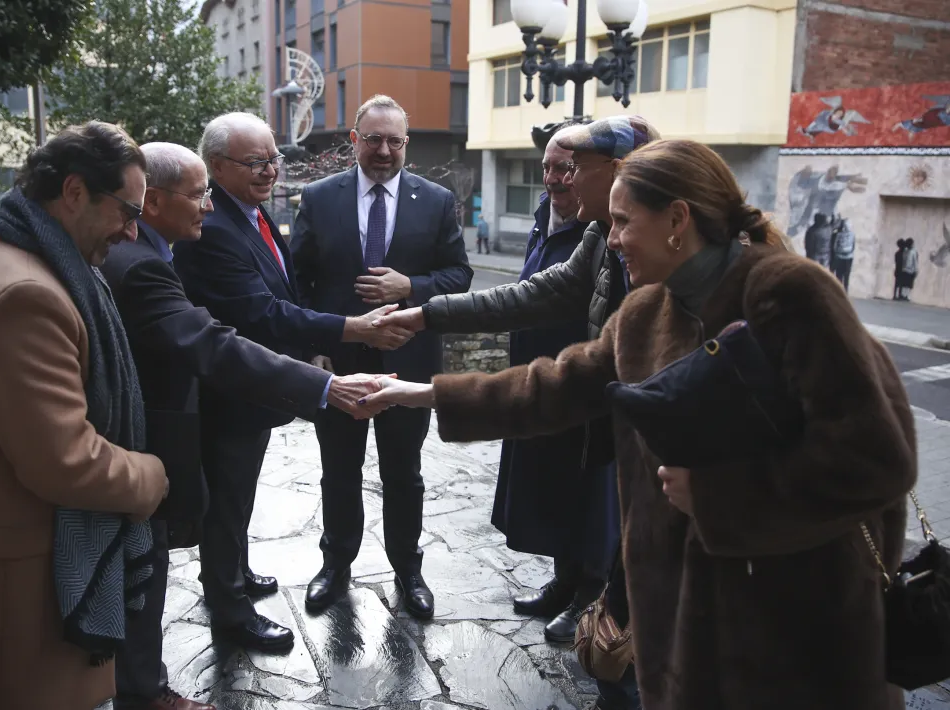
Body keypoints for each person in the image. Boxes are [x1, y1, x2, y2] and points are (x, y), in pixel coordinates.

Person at [364, 139, 917, 710]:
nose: (613, 237)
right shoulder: (646, 311)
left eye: (624, 222)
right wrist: (424, 393)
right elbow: (557, 384)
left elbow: (877, 459)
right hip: (683, 623)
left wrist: (714, 495)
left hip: (797, 625)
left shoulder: (787, 296)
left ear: (678, 220)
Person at [372, 115, 657, 708]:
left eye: (578, 169)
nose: (565, 182)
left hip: (713, 536)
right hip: (644, 485)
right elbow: (547, 324)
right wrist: (427, 324)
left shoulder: (756, 289)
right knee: (623, 658)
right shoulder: (606, 238)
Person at [100, 142, 386, 710]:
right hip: (180, 418)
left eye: (271, 159)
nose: (205, 205)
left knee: (217, 514)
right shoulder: (145, 262)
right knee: (159, 554)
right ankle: (146, 688)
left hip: (216, 401)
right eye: (198, 192)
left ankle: (212, 601)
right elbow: (222, 335)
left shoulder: (220, 226)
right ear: (151, 201)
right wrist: (328, 378)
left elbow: (285, 290)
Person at [0, 121, 171, 710]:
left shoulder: (29, 253)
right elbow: (65, 462)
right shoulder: (25, 294)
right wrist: (149, 476)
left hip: (10, 557)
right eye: (128, 210)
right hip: (10, 583)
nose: (133, 230)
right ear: (75, 192)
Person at [172, 112, 413, 651]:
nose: (269, 171)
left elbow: (288, 289)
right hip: (230, 391)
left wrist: (313, 349)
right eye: (255, 162)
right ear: (216, 167)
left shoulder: (250, 213)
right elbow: (263, 311)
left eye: (274, 159)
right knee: (227, 498)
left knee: (239, 494)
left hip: (255, 387)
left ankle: (234, 568)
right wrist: (349, 328)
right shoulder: (213, 229)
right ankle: (229, 607)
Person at [289, 94, 473, 618]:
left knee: (404, 471)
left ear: (406, 145)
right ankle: (336, 566)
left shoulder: (435, 201)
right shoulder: (320, 198)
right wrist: (314, 350)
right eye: (374, 139)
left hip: (407, 365)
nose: (384, 150)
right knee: (338, 470)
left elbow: (459, 276)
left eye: (395, 140)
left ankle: (407, 570)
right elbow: (299, 280)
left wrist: (409, 284)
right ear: (354, 140)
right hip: (338, 364)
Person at [829, 216, 855, 291]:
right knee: (846, 276)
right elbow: (853, 246)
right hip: (849, 258)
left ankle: (838, 291)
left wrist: (837, 253)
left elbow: (834, 246)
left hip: (839, 257)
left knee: (839, 275)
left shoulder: (838, 234)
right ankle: (845, 291)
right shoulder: (852, 235)